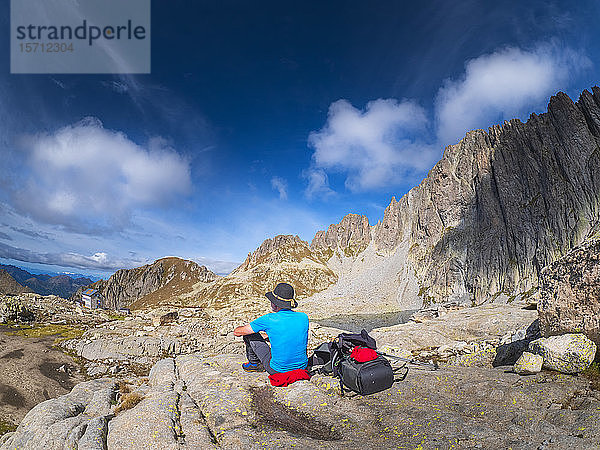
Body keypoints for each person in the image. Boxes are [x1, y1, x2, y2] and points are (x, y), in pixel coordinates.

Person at [233, 282, 309, 375]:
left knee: (250, 335)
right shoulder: (303, 317)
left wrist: (238, 328)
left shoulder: (269, 319)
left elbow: (238, 332)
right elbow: (288, 334)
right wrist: (268, 336)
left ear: (275, 303)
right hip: (302, 367)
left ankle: (255, 364)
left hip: (278, 370)